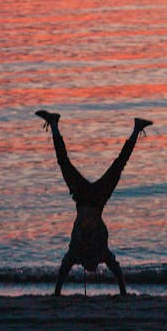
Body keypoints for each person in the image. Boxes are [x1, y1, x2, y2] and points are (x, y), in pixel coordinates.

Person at [35, 111, 152, 296]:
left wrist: (57, 293)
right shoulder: (99, 252)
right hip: (95, 199)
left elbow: (63, 271)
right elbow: (117, 272)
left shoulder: (77, 253)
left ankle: (55, 124)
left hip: (86, 198)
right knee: (113, 164)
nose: (91, 266)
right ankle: (137, 128)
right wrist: (123, 292)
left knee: (108, 164)